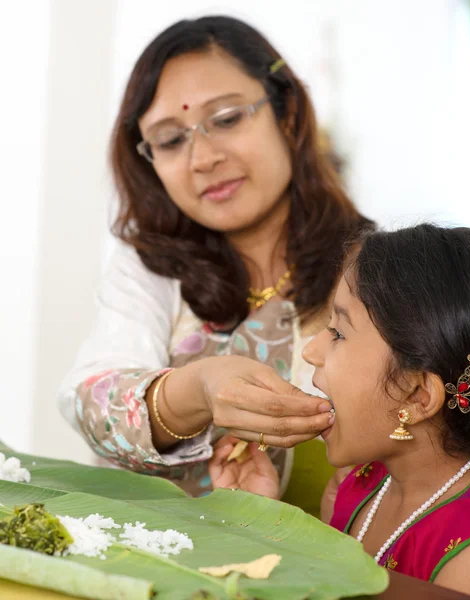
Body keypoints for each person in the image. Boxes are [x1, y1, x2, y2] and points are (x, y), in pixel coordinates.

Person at [58, 15, 371, 516]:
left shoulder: (375, 266)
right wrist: (199, 387)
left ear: (287, 113)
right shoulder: (150, 268)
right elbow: (86, 401)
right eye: (170, 139)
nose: (202, 158)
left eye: (226, 119)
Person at [208, 224, 470, 600]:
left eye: (338, 333)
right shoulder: (364, 482)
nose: (311, 351)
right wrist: (257, 517)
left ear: (416, 396)